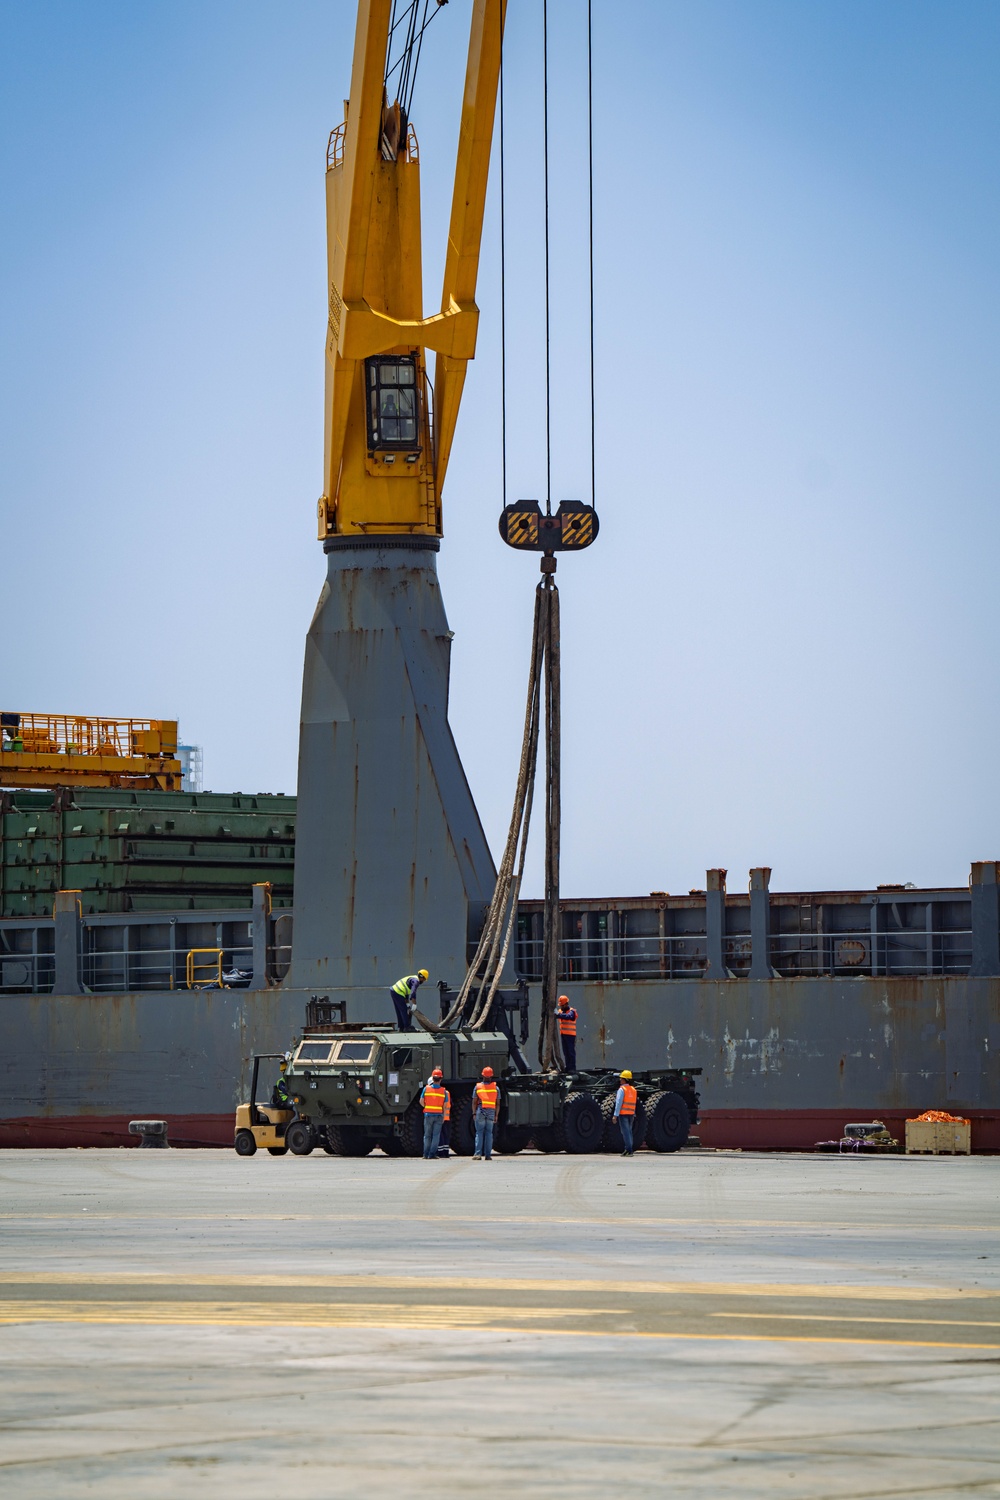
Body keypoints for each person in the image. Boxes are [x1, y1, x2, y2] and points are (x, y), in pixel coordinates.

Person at [419, 1068, 449, 1159]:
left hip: (428, 1114)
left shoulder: (426, 1089)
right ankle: (432, 1154)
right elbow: (444, 1105)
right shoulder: (443, 1091)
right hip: (439, 1115)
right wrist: (443, 1115)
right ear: (440, 1079)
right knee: (436, 1135)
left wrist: (426, 1106)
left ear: (432, 1078)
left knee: (427, 1135)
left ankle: (425, 1154)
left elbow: (421, 1101)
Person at [472, 1066, 499, 1161]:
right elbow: (498, 1103)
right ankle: (488, 1155)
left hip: (481, 1111)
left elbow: (474, 1102)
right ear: (491, 1076)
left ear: (482, 1075)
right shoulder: (496, 1088)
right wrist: (496, 1115)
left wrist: (474, 1113)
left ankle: (478, 1154)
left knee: (479, 1133)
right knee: (489, 1133)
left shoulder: (478, 1087)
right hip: (491, 1112)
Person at [614, 1069, 637, 1156]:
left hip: (623, 1114)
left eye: (622, 1078)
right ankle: (629, 1149)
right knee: (629, 1131)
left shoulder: (622, 1089)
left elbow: (618, 1103)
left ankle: (629, 1150)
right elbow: (634, 1102)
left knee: (625, 1132)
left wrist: (615, 1115)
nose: (620, 1080)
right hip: (631, 1114)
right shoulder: (633, 1090)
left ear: (625, 1079)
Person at [556, 995, 578, 1070]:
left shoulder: (572, 1011)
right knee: (566, 1052)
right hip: (563, 1035)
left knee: (571, 1052)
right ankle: (567, 1067)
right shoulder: (561, 1012)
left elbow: (569, 1016)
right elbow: (558, 1015)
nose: (561, 1007)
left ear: (566, 1004)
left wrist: (559, 1015)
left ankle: (572, 1068)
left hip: (570, 1035)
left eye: (562, 1005)